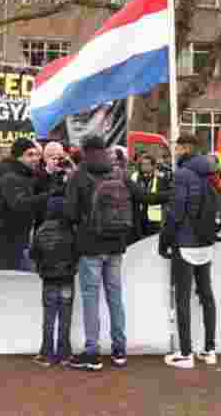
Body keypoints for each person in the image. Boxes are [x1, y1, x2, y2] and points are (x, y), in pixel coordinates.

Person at [65, 135, 140, 372]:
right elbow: (141, 196)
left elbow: (70, 213)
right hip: (116, 244)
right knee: (115, 297)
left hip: (90, 246)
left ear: (85, 150)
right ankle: (119, 350)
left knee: (91, 298)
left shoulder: (79, 174)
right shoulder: (117, 172)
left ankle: (92, 352)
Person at [159, 146, 221, 369]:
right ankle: (210, 350)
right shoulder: (211, 173)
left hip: (184, 244)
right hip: (206, 242)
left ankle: (186, 354)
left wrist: (163, 241)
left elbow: (175, 212)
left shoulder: (182, 175)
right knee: (207, 295)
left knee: (183, 297)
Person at [30, 193, 76, 367]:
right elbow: (76, 252)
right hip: (67, 277)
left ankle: (47, 353)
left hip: (48, 278)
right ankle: (65, 354)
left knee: (49, 317)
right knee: (65, 317)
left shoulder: (41, 230)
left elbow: (34, 254)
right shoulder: (70, 230)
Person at [0, 140, 48, 271]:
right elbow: (18, 204)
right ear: (18, 157)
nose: (35, 158)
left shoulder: (26, 175)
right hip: (8, 242)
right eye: (30, 154)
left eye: (37, 155)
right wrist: (47, 197)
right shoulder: (10, 177)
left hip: (19, 239)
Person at [131, 154, 172, 238]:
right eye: (142, 164)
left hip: (154, 219)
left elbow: (167, 195)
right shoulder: (134, 176)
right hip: (138, 217)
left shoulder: (161, 178)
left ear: (153, 166)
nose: (144, 166)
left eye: (147, 164)